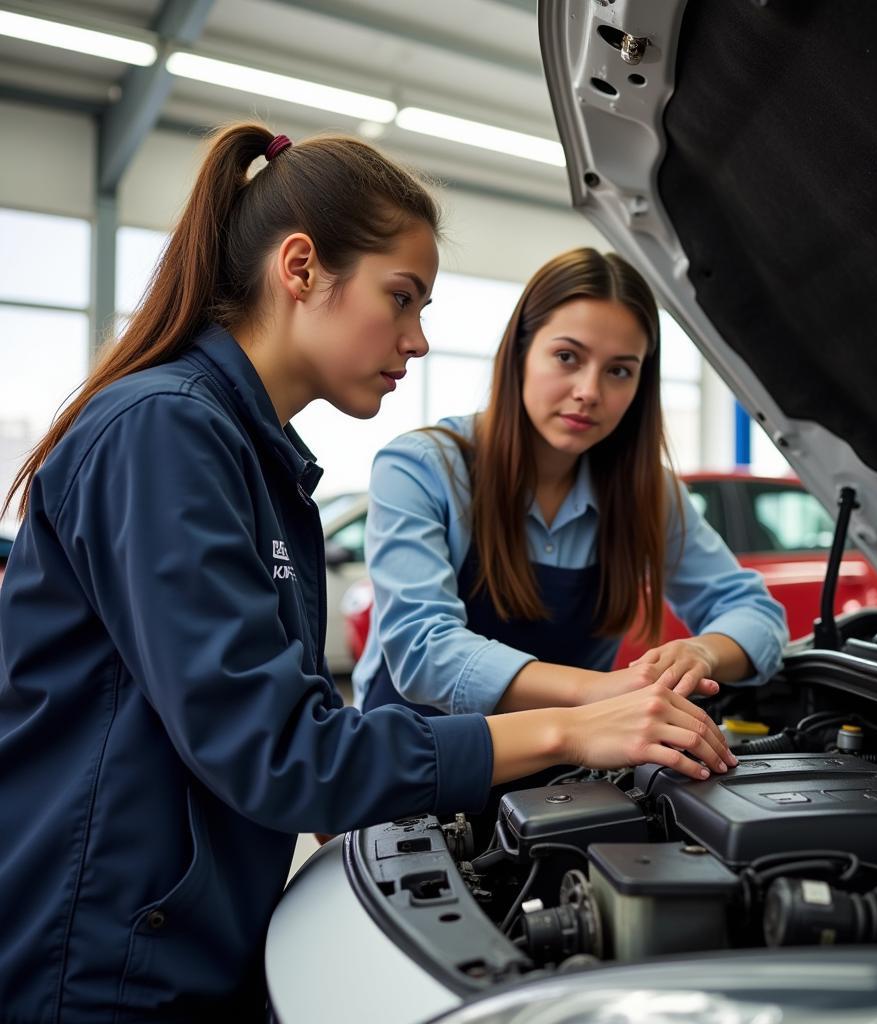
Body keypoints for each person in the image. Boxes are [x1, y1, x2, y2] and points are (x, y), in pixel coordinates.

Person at [0, 127, 735, 1022]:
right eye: (402, 298)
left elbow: (292, 731)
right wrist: (573, 731)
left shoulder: (258, 460)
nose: (418, 341)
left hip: (191, 932)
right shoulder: (163, 434)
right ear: (301, 268)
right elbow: (285, 751)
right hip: (104, 958)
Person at [355, 248, 788, 720]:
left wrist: (703, 652)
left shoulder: (649, 494)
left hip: (557, 786)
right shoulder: (421, 468)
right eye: (567, 357)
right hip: (419, 768)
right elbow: (423, 652)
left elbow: (757, 613)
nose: (589, 391)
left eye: (619, 370)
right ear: (520, 351)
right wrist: (605, 692)